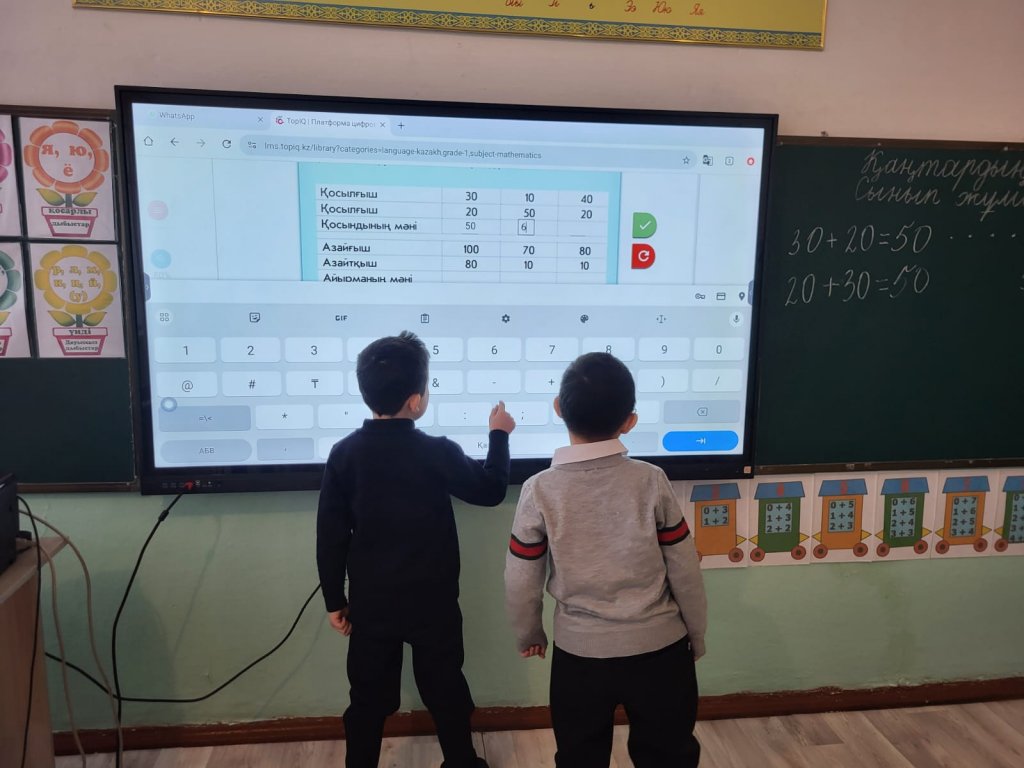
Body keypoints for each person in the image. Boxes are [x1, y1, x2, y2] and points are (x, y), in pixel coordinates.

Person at [317, 330, 516, 768]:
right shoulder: (436, 451)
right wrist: (499, 435)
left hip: (372, 604)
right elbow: (489, 491)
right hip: (433, 603)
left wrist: (334, 598)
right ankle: (462, 762)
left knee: (367, 699)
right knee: (446, 691)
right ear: (415, 401)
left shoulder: (344, 454)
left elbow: (330, 534)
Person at [504, 351, 707, 768]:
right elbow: (684, 567)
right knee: (669, 755)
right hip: (661, 650)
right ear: (629, 421)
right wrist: (697, 632)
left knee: (580, 757)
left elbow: (521, 578)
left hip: (580, 656)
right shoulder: (652, 480)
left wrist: (529, 633)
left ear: (558, 408)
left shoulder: (539, 490)